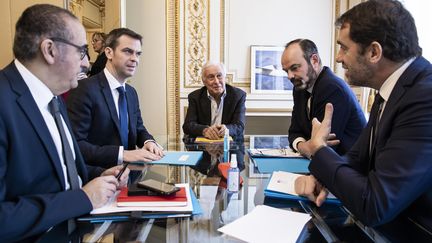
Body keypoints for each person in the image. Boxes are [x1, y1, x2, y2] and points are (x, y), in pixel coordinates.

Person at [294, 0, 432, 231]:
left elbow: (375, 205)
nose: (338, 58)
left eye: (344, 48)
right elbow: (356, 160)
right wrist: (321, 177)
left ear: (374, 52)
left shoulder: (425, 98)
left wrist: (319, 150)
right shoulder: (391, 89)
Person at [0, 4, 129, 242]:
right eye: (81, 51)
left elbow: (58, 169)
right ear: (50, 50)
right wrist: (83, 198)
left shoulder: (55, 97)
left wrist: (99, 175)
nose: (86, 63)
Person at [67, 28, 164, 169]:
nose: (134, 59)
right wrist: (122, 154)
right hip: (98, 178)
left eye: (138, 54)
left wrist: (148, 141)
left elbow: (138, 128)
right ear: (108, 52)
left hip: (129, 175)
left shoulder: (131, 93)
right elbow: (76, 144)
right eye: (127, 51)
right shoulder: (84, 89)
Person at [281, 39, 366, 156]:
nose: (290, 76)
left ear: (314, 61)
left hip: (347, 167)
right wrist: (304, 147)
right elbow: (294, 132)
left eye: (295, 68)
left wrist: (310, 146)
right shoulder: (299, 88)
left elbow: (324, 147)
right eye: (286, 71)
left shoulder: (333, 88)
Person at [183, 61, 246, 140]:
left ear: (224, 77)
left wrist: (226, 129)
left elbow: (239, 125)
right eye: (211, 77)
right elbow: (188, 125)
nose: (216, 81)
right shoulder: (195, 97)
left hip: (229, 146)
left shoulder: (238, 96)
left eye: (219, 76)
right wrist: (205, 130)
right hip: (203, 145)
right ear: (204, 81)